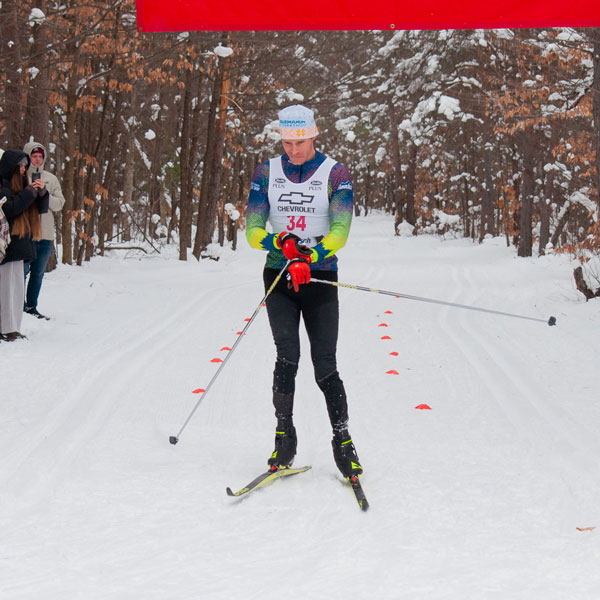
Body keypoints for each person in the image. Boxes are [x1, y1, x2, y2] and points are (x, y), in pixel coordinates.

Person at [245, 104, 363, 479]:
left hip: (320, 276)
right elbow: (252, 229)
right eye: (287, 142)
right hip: (280, 276)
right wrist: (282, 244)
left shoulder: (335, 172)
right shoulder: (267, 171)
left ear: (314, 135)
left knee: (325, 363)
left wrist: (311, 254)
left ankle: (343, 442)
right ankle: (284, 436)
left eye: (300, 142)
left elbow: (341, 230)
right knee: (287, 356)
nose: (293, 150)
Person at [0, 149, 49, 341]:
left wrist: (41, 192)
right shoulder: (3, 185)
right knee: (6, 288)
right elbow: (10, 208)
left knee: (16, 289)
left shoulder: (24, 184)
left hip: (22, 241)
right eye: (19, 166)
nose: (22, 169)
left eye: (24, 166)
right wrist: (29, 193)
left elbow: (40, 209)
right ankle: (6, 327)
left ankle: (12, 326)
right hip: (7, 243)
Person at [23, 141, 65, 319]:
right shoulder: (20, 176)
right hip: (24, 234)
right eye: (34, 156)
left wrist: (45, 192)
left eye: (40, 156)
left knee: (38, 273)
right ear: (28, 156)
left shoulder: (51, 178)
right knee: (21, 272)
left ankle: (32, 306)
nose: (37, 159)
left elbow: (59, 204)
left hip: (45, 234)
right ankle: (18, 306)